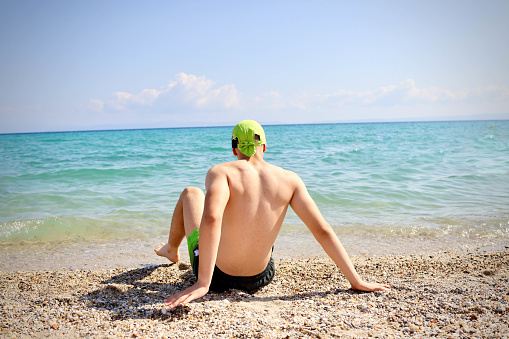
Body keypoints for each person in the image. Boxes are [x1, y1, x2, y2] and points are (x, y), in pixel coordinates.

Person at [155, 120, 389, 308]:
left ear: (234, 149)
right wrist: (356, 281)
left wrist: (204, 282)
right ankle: (173, 250)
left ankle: (171, 249)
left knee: (191, 193)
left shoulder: (222, 172)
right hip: (262, 276)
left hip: (219, 276)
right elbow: (322, 230)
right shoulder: (289, 179)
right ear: (264, 147)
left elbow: (212, 218)